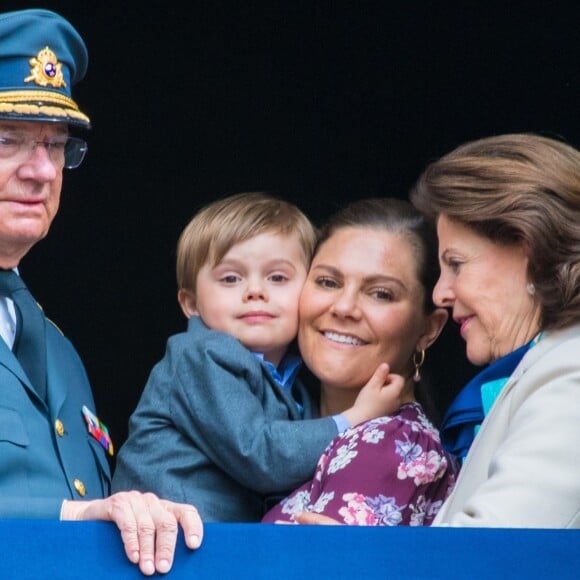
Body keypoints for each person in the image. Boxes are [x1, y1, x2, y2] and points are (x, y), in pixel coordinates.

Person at [0, 8, 203, 576]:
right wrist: (70, 516)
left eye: (57, 145)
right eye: (7, 140)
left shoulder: (55, 347)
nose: (42, 171)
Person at [299, 133, 580, 529]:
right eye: (327, 282)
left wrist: (362, 563)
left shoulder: (571, 372)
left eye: (457, 264)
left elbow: (498, 559)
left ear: (528, 251)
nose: (441, 293)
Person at [112, 192, 401, 521]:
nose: (255, 291)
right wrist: (356, 417)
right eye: (230, 278)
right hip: (166, 548)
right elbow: (260, 456)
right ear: (191, 303)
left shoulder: (296, 384)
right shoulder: (200, 356)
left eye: (277, 277)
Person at [262, 198, 459, 525]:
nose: (344, 307)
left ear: (429, 328)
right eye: (328, 282)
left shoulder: (389, 445)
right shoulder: (278, 428)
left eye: (381, 293)